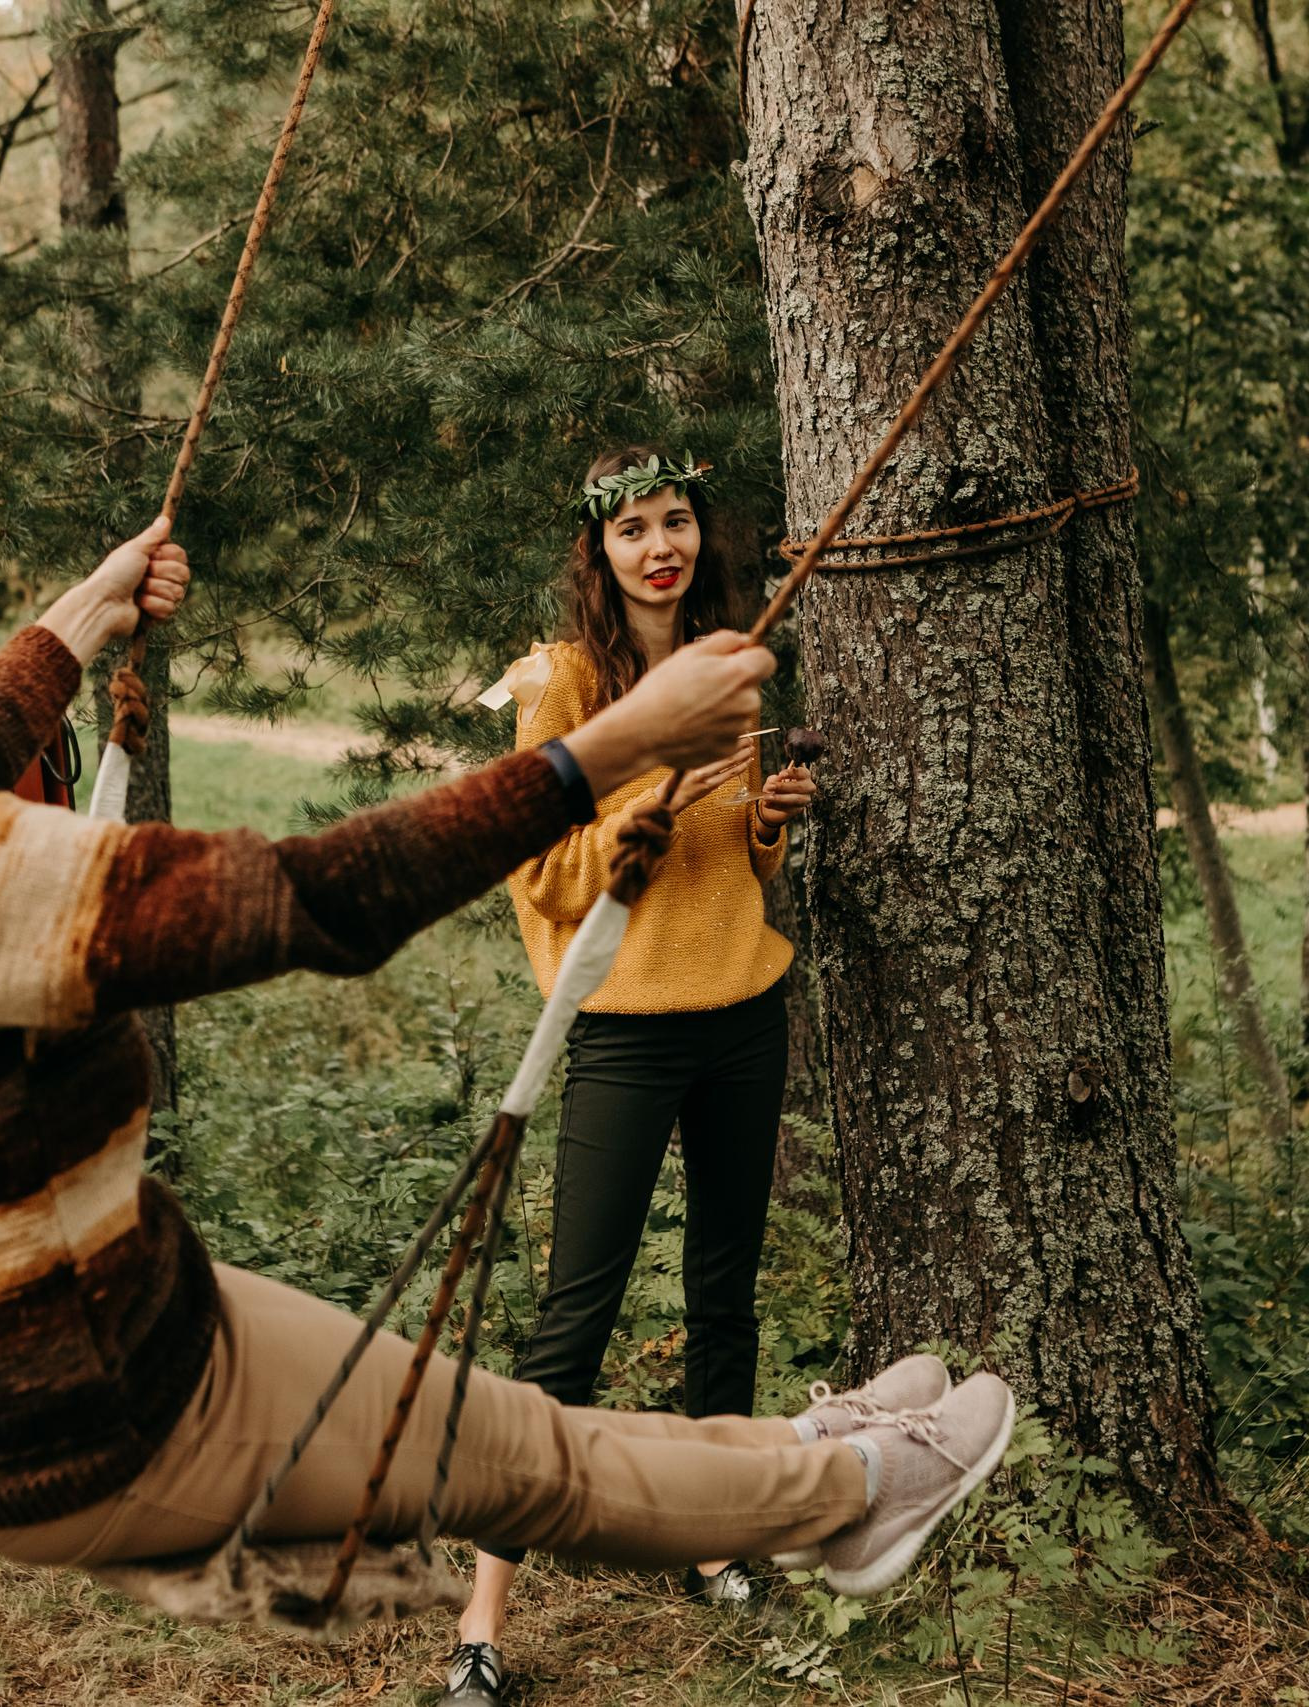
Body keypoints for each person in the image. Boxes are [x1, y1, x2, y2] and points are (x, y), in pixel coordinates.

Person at [0, 391, 1014, 1682]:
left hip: (23, 1360)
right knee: (526, 1459)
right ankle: (854, 1499)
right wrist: (616, 748)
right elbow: (324, 894)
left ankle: (799, 1452)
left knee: (512, 1422)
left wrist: (91, 607)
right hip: (80, 1414)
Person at [435, 449, 955, 1705]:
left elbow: (736, 876)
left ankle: (717, 1537)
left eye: (675, 522)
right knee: (577, 1312)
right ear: (597, 553)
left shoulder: (727, 662)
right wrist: (658, 793)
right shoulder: (562, 684)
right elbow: (545, 872)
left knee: (726, 1293)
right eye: (631, 528)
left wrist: (764, 813)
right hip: (622, 1024)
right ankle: (480, 1619)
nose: (658, 545)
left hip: (743, 1009)